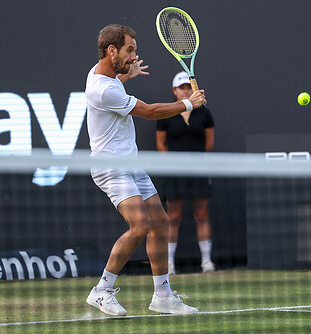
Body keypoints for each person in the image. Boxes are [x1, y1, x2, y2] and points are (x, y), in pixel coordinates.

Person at [84, 24, 206, 316]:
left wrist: (127, 75)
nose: (134, 55)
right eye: (129, 50)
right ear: (111, 50)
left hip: (130, 163)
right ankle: (101, 290)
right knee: (140, 225)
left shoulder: (104, 73)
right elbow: (150, 112)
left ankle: (162, 296)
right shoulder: (103, 89)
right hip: (110, 167)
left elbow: (117, 81)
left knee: (161, 223)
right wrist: (188, 103)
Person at [156, 72, 216, 275]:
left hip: (199, 171)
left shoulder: (204, 113)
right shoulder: (166, 114)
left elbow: (209, 143)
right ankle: (170, 264)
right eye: (181, 87)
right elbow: (161, 145)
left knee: (202, 214)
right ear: (174, 91)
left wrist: (195, 163)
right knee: (173, 217)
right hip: (175, 173)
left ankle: (206, 262)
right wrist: (176, 165)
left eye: (188, 87)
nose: (186, 90)